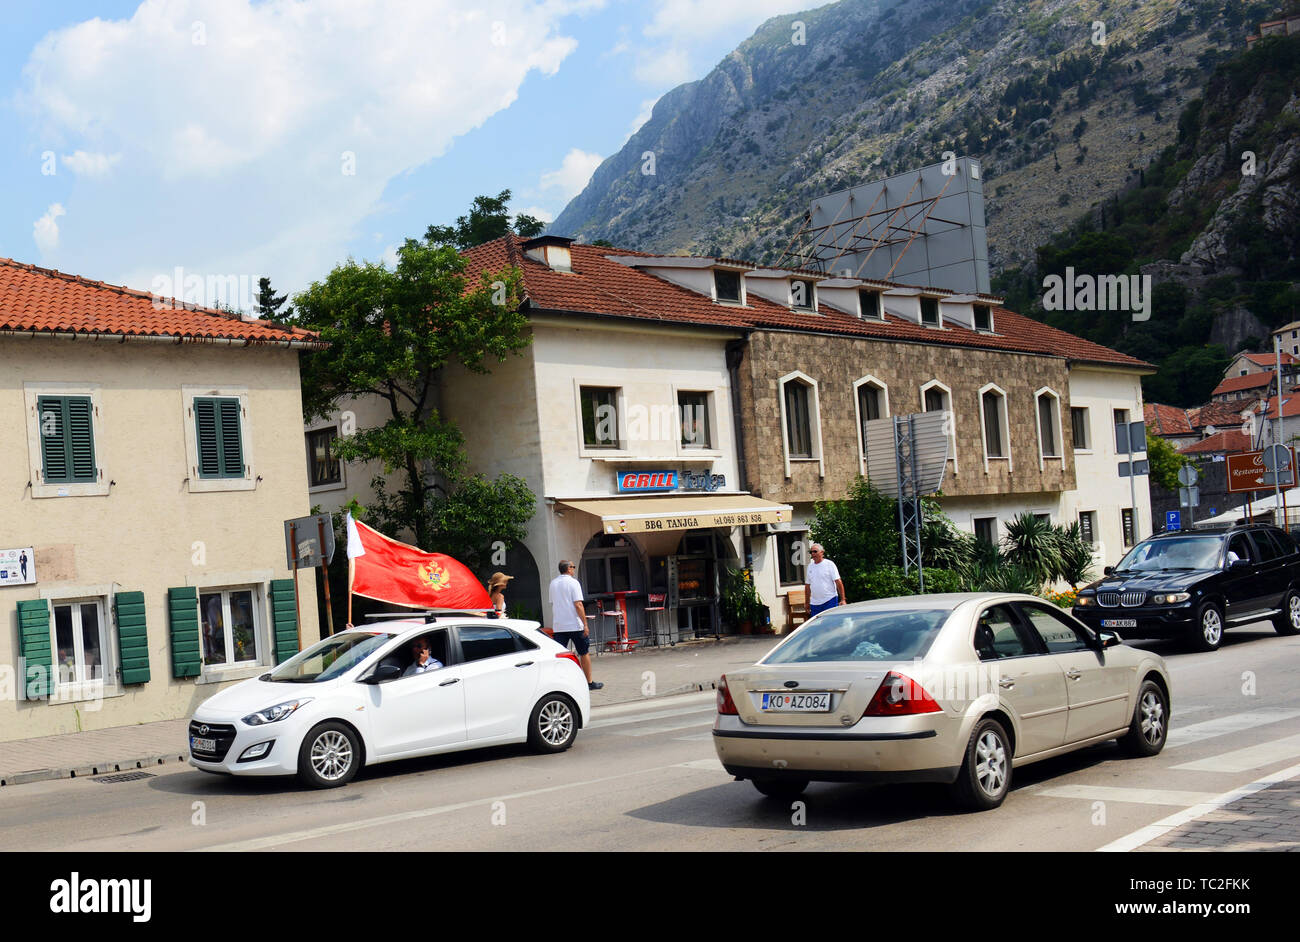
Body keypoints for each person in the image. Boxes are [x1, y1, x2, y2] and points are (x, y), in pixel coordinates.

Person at [549, 559, 602, 690]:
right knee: (584, 652)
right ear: (568, 569)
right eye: (573, 567)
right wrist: (585, 624)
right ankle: (589, 682)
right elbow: (578, 604)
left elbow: (553, 602)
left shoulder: (553, 583)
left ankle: (560, 683)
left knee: (560, 655)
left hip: (559, 625)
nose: (574, 569)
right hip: (574, 624)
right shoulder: (573, 583)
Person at [804, 543, 846, 618]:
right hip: (815, 603)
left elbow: (838, 582)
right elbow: (807, 586)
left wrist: (843, 599)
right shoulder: (810, 567)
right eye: (811, 552)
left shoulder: (829, 564)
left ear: (822, 552)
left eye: (815, 551)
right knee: (817, 626)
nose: (813, 554)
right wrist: (807, 602)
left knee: (831, 623)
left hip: (829, 600)